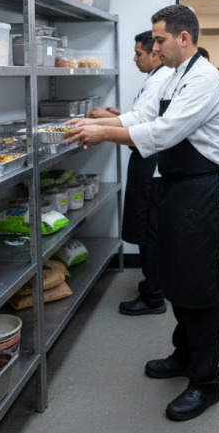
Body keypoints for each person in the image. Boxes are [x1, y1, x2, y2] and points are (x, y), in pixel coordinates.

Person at [63, 4, 219, 421]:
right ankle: (184, 355)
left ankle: (206, 382)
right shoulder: (172, 76)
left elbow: (163, 132)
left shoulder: (205, 80)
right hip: (176, 189)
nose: (153, 47)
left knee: (200, 288)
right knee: (176, 279)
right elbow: (142, 115)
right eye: (153, 41)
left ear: (183, 38)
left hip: (202, 193)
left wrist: (104, 132)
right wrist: (105, 122)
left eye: (158, 40)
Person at [89, 31, 173, 315]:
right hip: (148, 160)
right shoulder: (157, 78)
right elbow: (143, 116)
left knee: (150, 231)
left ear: (154, 53)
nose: (134, 59)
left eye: (138, 53)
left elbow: (142, 122)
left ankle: (154, 296)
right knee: (150, 228)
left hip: (151, 164)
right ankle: (156, 286)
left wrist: (103, 130)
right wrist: (117, 117)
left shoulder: (161, 78)